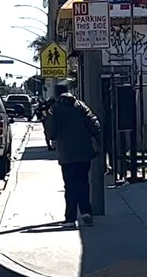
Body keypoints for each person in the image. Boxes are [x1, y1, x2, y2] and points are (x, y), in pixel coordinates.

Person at [42, 81, 102, 227]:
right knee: (83, 182)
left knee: (70, 185)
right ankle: (86, 212)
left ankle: (70, 218)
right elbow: (94, 125)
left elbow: (50, 131)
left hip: (66, 154)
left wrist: (55, 138)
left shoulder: (54, 109)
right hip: (84, 151)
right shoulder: (81, 106)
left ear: (57, 94)